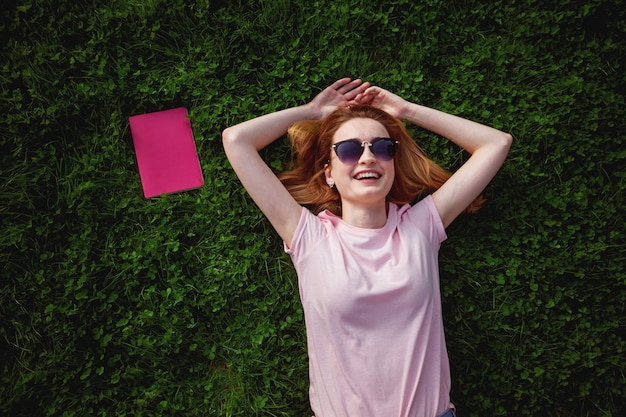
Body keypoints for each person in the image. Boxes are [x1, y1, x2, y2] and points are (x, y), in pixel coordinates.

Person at [222, 78, 512, 417]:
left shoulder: (420, 229)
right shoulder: (309, 238)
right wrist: (312, 111)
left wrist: (405, 111)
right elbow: (236, 140)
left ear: (392, 162)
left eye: (383, 147)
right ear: (328, 172)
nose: (368, 157)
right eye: (349, 149)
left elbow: (495, 143)